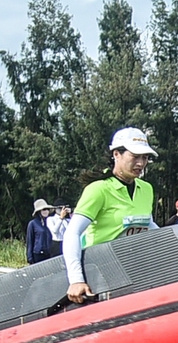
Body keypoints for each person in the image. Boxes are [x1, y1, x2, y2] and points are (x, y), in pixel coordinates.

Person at [63, 128, 160, 303]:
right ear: (117, 154)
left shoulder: (147, 189)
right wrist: (76, 279)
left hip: (135, 270)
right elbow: (72, 233)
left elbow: (149, 225)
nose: (140, 163)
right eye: (135, 156)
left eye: (145, 157)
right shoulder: (98, 189)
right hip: (100, 274)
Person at [25, 199, 57, 264]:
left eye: (47, 209)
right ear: (39, 211)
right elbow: (29, 241)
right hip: (37, 254)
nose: (46, 211)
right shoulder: (33, 223)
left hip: (49, 254)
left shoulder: (49, 222)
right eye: (44, 209)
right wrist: (29, 257)